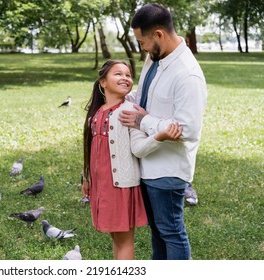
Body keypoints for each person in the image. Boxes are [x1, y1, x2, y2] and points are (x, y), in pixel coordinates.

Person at [119, 3, 207, 260]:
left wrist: (143, 121)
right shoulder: (154, 57)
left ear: (159, 34)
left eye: (142, 41)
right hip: (148, 162)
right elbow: (145, 96)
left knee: (171, 232)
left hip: (168, 169)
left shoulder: (188, 75)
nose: (141, 48)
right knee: (158, 232)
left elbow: (187, 129)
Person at [82, 59, 182, 260]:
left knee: (124, 240)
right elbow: (91, 150)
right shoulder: (96, 113)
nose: (125, 78)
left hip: (121, 187)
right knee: (115, 238)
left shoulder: (130, 110)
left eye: (128, 75)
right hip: (101, 186)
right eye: (118, 74)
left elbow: (138, 149)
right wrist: (86, 177)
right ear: (103, 82)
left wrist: (159, 136)